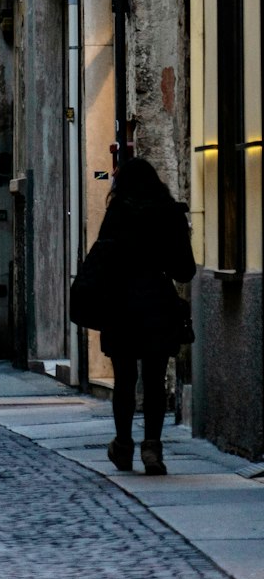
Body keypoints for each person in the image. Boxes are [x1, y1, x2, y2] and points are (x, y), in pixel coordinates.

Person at [98, 156, 196, 476]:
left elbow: (102, 258)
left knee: (124, 380)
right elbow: (185, 271)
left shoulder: (118, 213)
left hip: (121, 306)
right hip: (157, 304)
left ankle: (123, 445)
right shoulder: (170, 214)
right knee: (154, 379)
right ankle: (152, 448)